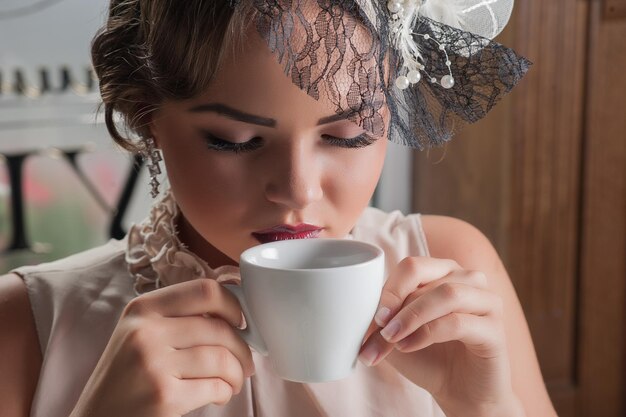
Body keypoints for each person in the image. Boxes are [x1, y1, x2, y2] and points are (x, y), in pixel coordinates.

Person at [0, 0, 557, 416]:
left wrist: (489, 408)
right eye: (236, 139)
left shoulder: (453, 269)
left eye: (349, 135)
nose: (298, 190)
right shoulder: (25, 321)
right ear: (147, 117)